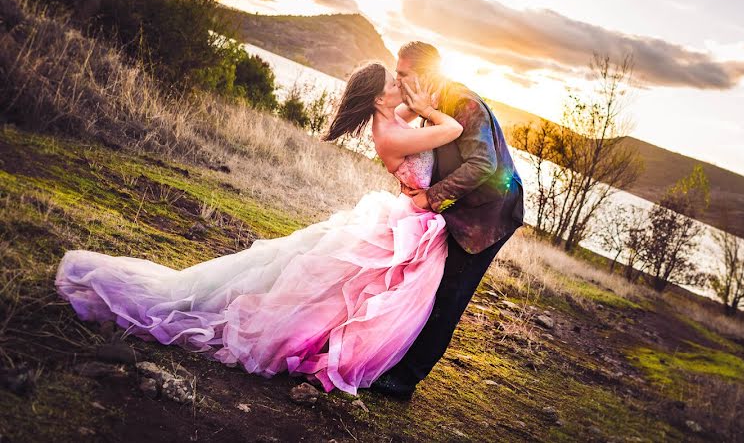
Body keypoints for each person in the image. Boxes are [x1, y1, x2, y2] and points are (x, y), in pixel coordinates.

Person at [55, 61, 463, 396]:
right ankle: (298, 341)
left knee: (340, 287)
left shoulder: (392, 119)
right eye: (395, 82)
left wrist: (420, 98)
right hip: (406, 218)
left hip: (409, 217)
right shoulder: (390, 132)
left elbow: (413, 116)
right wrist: (428, 108)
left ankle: (318, 339)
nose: (402, 85)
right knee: (337, 285)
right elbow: (453, 130)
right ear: (378, 98)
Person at [370, 41, 524, 399]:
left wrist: (430, 196)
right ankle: (394, 358)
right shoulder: (433, 102)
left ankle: (405, 380)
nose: (397, 79)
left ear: (425, 75)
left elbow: (483, 165)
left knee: (449, 296)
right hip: (460, 208)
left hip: (489, 215)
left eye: (403, 74)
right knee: (425, 286)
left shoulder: (464, 104)